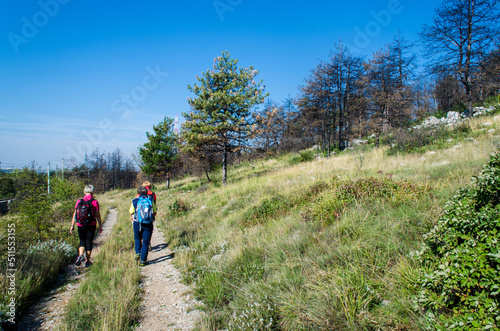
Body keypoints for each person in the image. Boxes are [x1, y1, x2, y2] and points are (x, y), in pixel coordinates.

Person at [70, 185, 103, 267]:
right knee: (88, 242)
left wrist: (72, 225)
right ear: (92, 192)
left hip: (80, 224)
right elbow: (97, 215)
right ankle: (88, 261)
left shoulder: (79, 201)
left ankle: (81, 255)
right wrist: (100, 226)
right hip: (91, 224)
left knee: (82, 241)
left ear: (84, 192)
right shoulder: (95, 202)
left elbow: (75, 214)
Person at [130, 186, 156, 266]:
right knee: (146, 241)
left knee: (137, 238)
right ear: (146, 193)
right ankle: (143, 260)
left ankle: (138, 252)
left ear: (138, 193)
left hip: (137, 223)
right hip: (148, 224)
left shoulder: (135, 201)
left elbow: (131, 211)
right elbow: (154, 211)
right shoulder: (150, 200)